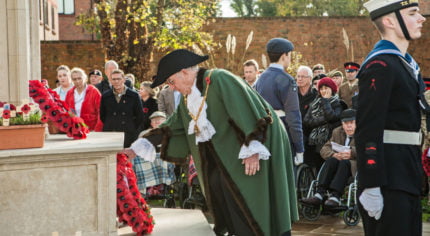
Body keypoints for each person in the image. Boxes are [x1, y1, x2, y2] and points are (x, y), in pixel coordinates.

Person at [124, 49, 298, 236]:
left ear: (184, 72)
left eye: (171, 82)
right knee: (218, 189)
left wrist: (253, 147)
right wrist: (139, 146)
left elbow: (246, 108)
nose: (172, 88)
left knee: (251, 198)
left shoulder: (219, 79)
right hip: (227, 154)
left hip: (259, 142)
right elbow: (174, 125)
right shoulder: (188, 98)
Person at [356, 1, 427, 235]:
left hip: (406, 172)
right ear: (389, 21)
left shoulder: (404, 64)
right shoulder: (381, 65)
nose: (422, 19)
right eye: (412, 13)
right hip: (388, 179)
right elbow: (368, 127)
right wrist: (371, 183)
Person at [255, 38, 304, 166]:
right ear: (284, 55)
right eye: (290, 55)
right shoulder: (286, 80)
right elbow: (293, 116)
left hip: (264, 132)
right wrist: (299, 148)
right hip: (282, 131)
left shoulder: (260, 78)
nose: (290, 59)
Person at [301, 109, 357, 207]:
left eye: (352, 123)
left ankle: (336, 196)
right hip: (336, 165)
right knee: (332, 160)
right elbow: (324, 149)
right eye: (346, 123)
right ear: (342, 124)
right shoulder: (337, 132)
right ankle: (319, 194)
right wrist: (333, 154)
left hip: (353, 167)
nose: (349, 126)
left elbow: (367, 149)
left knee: (345, 162)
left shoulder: (362, 134)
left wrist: (351, 153)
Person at [303, 77, 344, 171]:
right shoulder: (314, 103)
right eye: (321, 89)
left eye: (326, 88)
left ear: (332, 89)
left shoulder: (338, 103)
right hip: (316, 141)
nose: (324, 91)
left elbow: (332, 117)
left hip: (331, 140)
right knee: (318, 167)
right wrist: (323, 120)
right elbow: (307, 121)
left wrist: (325, 101)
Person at [132, 111, 176, 195]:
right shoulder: (144, 133)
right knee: (136, 159)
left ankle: (158, 186)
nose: (157, 121)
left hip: (163, 157)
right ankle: (145, 187)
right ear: (151, 123)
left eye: (160, 119)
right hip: (146, 158)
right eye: (155, 120)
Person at [100, 69, 144, 147]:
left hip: (128, 134)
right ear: (110, 81)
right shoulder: (105, 96)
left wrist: (131, 127)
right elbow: (103, 116)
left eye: (119, 79)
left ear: (123, 79)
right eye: (114, 79)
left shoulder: (134, 96)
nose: (116, 81)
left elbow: (139, 116)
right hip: (111, 133)